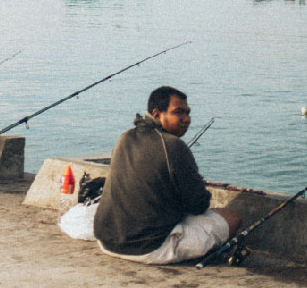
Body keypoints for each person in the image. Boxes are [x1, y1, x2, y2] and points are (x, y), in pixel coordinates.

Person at [93, 86, 241, 264]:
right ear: (157, 114)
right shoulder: (174, 145)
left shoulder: (125, 137)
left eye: (187, 112)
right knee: (232, 218)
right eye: (178, 112)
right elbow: (198, 205)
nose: (186, 119)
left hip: (107, 242)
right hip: (148, 249)